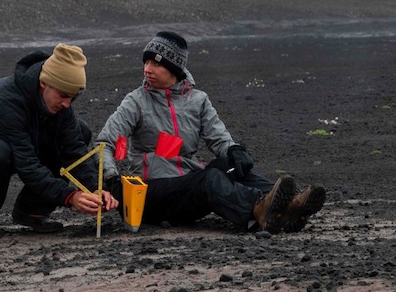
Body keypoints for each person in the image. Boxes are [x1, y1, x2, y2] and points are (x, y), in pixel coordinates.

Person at [96, 31, 325, 234]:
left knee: (231, 165)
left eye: (156, 64)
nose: (147, 69)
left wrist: (234, 150)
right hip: (151, 194)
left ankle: (287, 206)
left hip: (187, 186)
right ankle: (259, 209)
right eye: (145, 62)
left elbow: (219, 138)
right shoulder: (136, 101)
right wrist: (110, 177)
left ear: (175, 68)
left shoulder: (198, 101)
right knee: (208, 179)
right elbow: (105, 142)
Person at [0, 44, 119, 238]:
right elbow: (27, 164)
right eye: (63, 95)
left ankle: (32, 211)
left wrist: (96, 188)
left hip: (11, 145)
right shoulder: (6, 101)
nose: (67, 104)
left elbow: (74, 149)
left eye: (73, 98)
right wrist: (69, 196)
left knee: (79, 131)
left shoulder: (60, 105)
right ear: (44, 83)